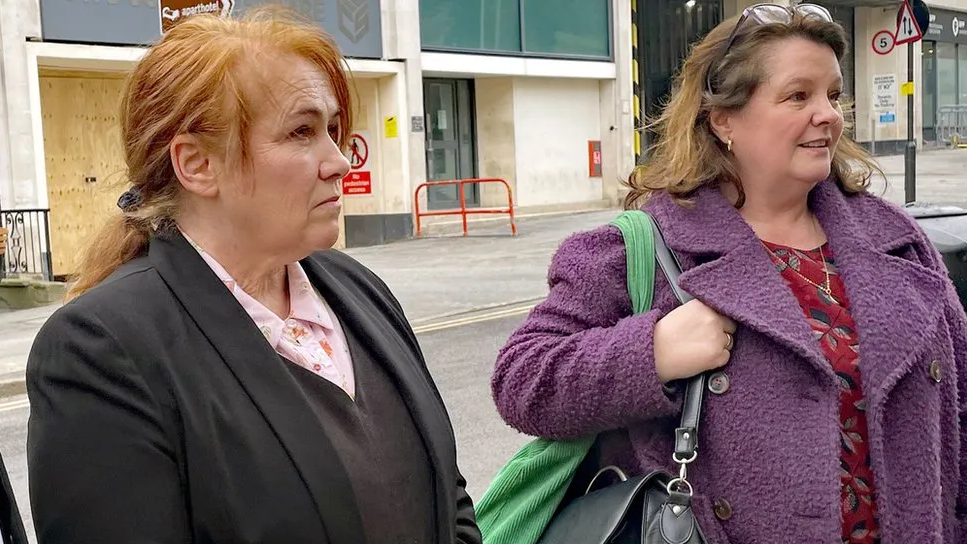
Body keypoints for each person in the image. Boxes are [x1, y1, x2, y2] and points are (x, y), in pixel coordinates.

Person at [492, 5, 967, 544]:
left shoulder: (897, 240)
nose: (828, 114)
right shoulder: (640, 249)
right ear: (724, 120)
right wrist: (652, 352)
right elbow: (521, 380)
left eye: (833, 95)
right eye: (797, 96)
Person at [25, 8, 481, 544]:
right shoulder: (103, 350)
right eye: (301, 131)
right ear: (197, 164)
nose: (338, 161)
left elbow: (448, 500)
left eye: (333, 129)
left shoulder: (360, 291)